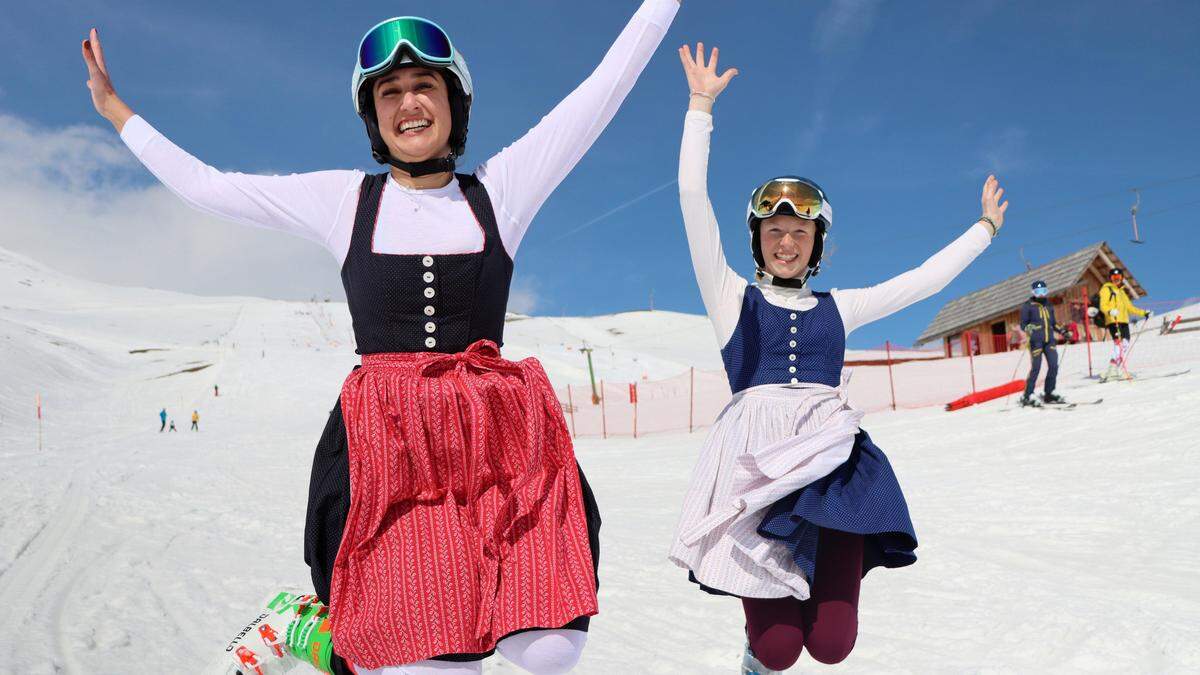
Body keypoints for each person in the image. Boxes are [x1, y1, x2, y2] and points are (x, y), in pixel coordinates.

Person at [82, 2, 680, 673]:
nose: (409, 103)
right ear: (373, 117)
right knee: (433, 654)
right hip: (391, 446)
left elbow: (602, 89)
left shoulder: (502, 191)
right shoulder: (346, 202)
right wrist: (114, 111)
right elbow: (207, 187)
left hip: (495, 443)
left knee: (550, 648)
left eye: (425, 85)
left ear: (455, 100)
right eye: (389, 93)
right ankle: (321, 635)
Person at [668, 44, 1006, 673]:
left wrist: (982, 230)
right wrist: (700, 108)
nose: (787, 241)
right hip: (756, 469)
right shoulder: (730, 299)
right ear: (758, 241)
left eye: (800, 232)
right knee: (777, 651)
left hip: (832, 462)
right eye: (774, 232)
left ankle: (827, 569)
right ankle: (756, 647)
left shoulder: (839, 306)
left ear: (817, 242)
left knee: (830, 646)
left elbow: (923, 281)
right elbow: (692, 199)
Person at [1018, 280, 1067, 407]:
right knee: (1036, 368)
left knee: (1053, 365)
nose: (1041, 294)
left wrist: (1062, 331)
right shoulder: (1028, 306)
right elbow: (1023, 324)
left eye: (1044, 291)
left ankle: (1049, 393)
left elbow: (1053, 323)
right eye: (1038, 292)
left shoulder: (1048, 305)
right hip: (1036, 341)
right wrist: (1028, 327)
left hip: (1049, 340)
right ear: (1033, 293)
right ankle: (1028, 395)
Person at [1099, 267, 1149, 381]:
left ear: (1122, 278)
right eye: (1113, 277)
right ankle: (1112, 369)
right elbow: (1103, 305)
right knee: (1119, 344)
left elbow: (1129, 307)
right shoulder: (1106, 289)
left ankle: (1116, 368)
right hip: (1113, 320)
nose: (1116, 279)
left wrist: (1143, 313)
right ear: (1110, 278)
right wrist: (1110, 311)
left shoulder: (1122, 292)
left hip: (1124, 321)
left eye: (1118, 277)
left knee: (1125, 344)